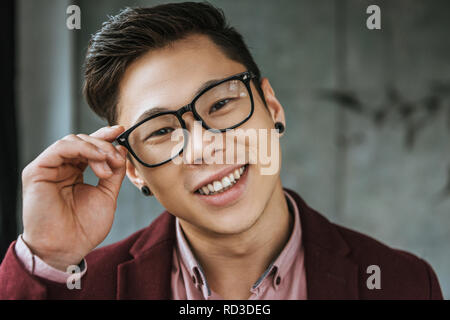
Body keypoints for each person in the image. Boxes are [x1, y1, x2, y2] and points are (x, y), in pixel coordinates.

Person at [0, 2, 443, 300]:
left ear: (271, 106)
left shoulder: (401, 283)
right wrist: (50, 258)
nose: (204, 146)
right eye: (160, 131)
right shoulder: (80, 287)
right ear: (133, 168)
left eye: (222, 104)